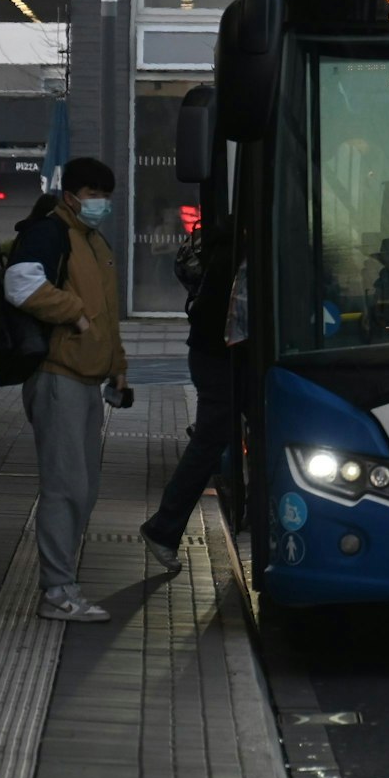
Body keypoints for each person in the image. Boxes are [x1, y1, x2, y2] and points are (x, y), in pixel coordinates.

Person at [5, 157, 129, 623]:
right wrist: (71, 310)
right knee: (65, 487)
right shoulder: (50, 233)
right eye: (96, 194)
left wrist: (118, 366)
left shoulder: (93, 241)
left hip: (87, 379)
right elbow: (20, 285)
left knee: (84, 488)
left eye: (106, 195)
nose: (103, 204)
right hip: (58, 376)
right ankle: (57, 591)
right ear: (73, 195)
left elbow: (109, 314)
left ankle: (64, 584)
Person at [140, 224, 235, 575]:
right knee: (207, 445)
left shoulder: (224, 244)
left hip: (211, 356)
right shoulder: (236, 251)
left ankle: (163, 528)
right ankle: (162, 528)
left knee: (210, 443)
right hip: (220, 359)